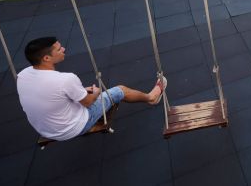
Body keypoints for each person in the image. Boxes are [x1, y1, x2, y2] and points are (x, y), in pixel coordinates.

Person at [16, 37, 165, 141]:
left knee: (81, 93)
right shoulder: (65, 79)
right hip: (72, 128)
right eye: (58, 49)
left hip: (45, 130)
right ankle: (151, 98)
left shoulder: (22, 75)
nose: (63, 49)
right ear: (46, 58)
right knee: (120, 90)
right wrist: (96, 93)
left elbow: (49, 94)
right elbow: (87, 102)